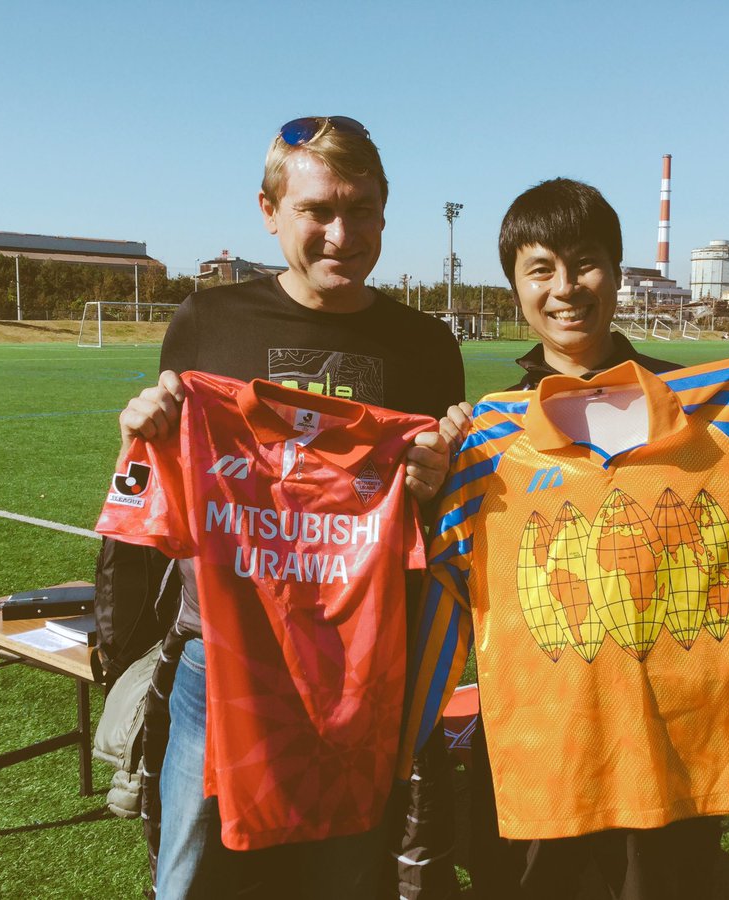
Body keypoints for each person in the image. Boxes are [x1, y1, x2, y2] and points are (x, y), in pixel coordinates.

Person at [425, 178, 729, 900]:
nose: (565, 288)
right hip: (536, 742)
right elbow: (440, 578)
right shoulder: (486, 434)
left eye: (585, 263)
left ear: (618, 273)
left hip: (671, 742)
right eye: (541, 269)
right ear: (516, 285)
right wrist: (420, 703)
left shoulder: (713, 409)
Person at [109, 116, 463, 900]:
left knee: (342, 880)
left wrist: (434, 482)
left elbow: (444, 522)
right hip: (223, 655)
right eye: (317, 211)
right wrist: (148, 430)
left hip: (361, 668)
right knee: (193, 881)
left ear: (384, 212)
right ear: (269, 211)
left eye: (362, 210)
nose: (342, 234)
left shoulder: (427, 346)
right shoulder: (207, 323)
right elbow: (173, 486)